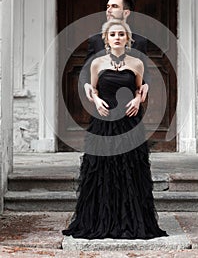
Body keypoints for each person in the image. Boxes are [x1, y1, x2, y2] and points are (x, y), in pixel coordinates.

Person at [62, 19, 168, 239]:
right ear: (106, 39)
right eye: (113, 35)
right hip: (104, 123)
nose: (117, 37)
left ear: (128, 39)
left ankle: (129, 219)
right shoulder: (97, 63)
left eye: (121, 34)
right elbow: (93, 88)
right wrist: (97, 101)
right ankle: (103, 220)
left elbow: (140, 89)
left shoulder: (137, 63)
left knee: (130, 171)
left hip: (129, 123)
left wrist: (138, 101)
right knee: (103, 171)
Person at [83, 0, 149, 104]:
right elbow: (85, 70)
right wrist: (86, 85)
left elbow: (145, 73)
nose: (108, 10)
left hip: (130, 107)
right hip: (104, 107)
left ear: (126, 13)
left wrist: (146, 85)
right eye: (108, 6)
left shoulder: (140, 41)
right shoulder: (95, 40)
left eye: (114, 6)